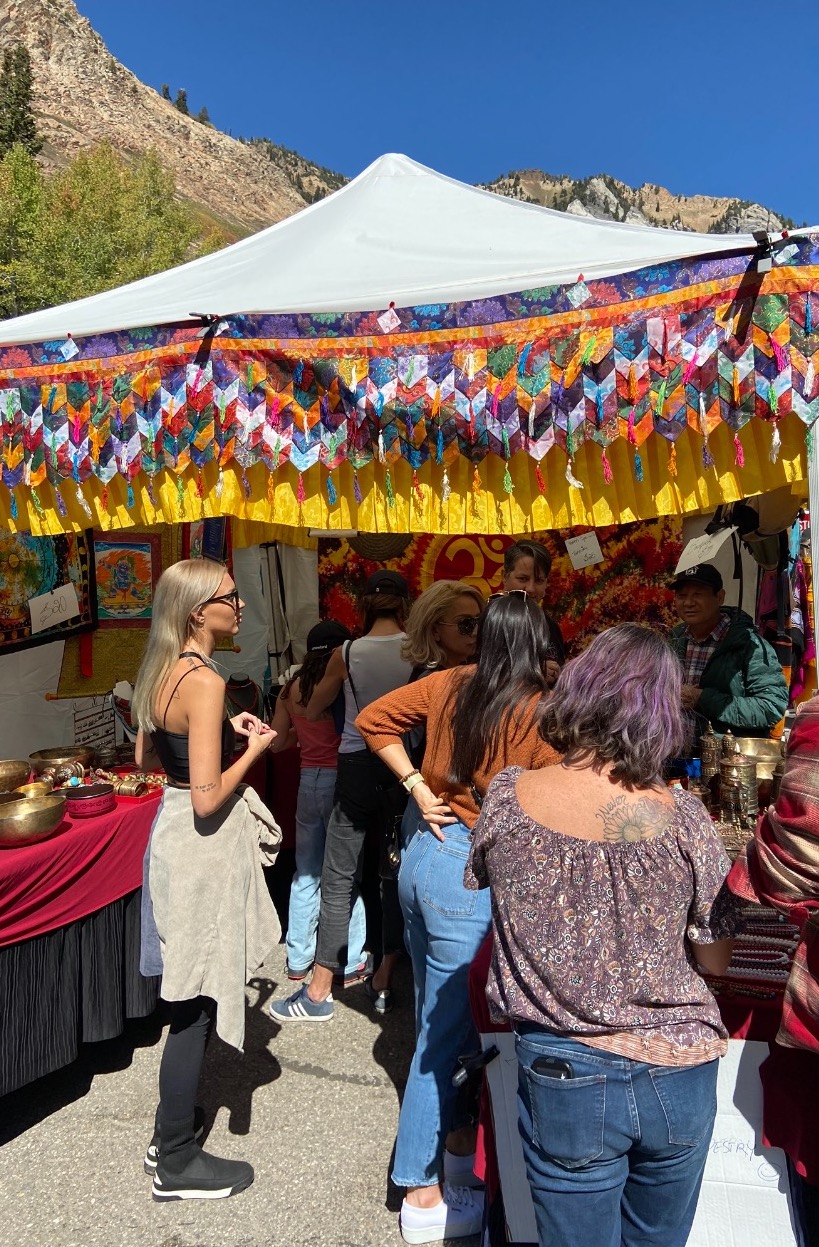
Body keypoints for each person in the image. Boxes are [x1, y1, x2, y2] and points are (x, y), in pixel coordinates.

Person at [466, 623, 739, 1247]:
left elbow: (485, 881)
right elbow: (716, 957)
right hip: (679, 1069)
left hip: (567, 1069)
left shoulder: (509, 799)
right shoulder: (685, 819)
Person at [356, 592, 558, 1244]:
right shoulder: (537, 709)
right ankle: (418, 1186)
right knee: (445, 1036)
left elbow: (371, 721)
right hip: (466, 878)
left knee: (437, 1025)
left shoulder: (451, 682)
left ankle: (451, 1157)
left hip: (423, 859)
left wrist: (415, 783)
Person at [133, 559, 280, 1202]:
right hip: (196, 846)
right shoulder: (206, 681)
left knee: (186, 996)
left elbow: (146, 758)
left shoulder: (160, 668)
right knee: (191, 1006)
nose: (241, 605)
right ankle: (175, 1158)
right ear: (200, 612)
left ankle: (171, 1134)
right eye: (231, 596)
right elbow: (206, 798)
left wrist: (223, 732)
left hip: (168, 839)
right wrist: (254, 748)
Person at [269, 569, 412, 1023]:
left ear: (364, 608)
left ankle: (319, 987)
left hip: (352, 765)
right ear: (405, 605)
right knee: (396, 871)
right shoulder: (419, 651)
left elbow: (312, 708)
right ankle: (387, 972)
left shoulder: (348, 653)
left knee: (336, 875)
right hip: (404, 768)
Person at [267, 619, 369, 985]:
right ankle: (352, 958)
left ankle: (297, 958)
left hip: (307, 783)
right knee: (345, 876)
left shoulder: (290, 689)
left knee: (305, 873)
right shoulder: (342, 686)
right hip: (340, 781)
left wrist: (303, 730)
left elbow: (277, 742)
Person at [669, 563, 788, 742]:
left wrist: (702, 699)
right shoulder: (673, 640)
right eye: (682, 596)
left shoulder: (749, 645)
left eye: (698, 594)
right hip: (677, 757)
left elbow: (771, 707)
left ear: (720, 597)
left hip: (728, 761)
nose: (688, 602)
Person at [501, 539, 565, 686]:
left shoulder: (550, 626)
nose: (530, 588)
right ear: (505, 577)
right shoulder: (491, 621)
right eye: (523, 579)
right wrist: (533, 673)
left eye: (539, 580)